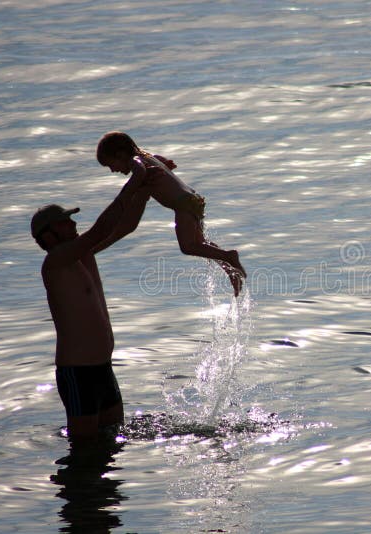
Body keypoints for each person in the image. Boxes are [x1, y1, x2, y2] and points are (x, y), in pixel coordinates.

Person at [31, 170, 154, 441]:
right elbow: (101, 229)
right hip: (78, 374)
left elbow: (125, 226)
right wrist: (132, 182)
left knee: (111, 444)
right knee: (84, 449)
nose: (73, 223)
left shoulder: (82, 254)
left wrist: (146, 188)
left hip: (103, 368)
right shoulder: (55, 263)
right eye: (65, 222)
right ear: (49, 235)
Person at [95, 131, 246, 296]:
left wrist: (128, 191)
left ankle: (229, 256)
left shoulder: (136, 161)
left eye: (111, 165)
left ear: (121, 154)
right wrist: (165, 163)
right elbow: (160, 159)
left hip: (183, 204)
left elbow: (139, 171)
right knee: (200, 244)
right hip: (193, 200)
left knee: (187, 246)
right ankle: (229, 269)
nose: (112, 170)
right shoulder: (148, 156)